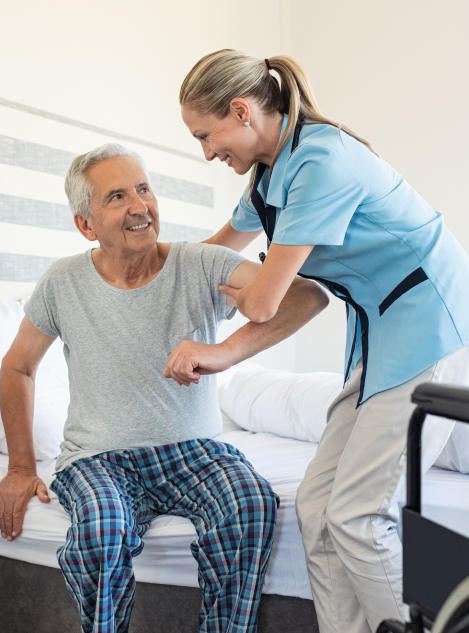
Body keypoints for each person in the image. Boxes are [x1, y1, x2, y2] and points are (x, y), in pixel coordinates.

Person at [179, 49, 469, 633]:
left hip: (428, 323)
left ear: (241, 112)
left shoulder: (321, 161)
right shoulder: (268, 173)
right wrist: (147, 271)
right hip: (379, 332)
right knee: (316, 508)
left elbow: (263, 301)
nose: (208, 153)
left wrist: (220, 339)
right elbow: (214, 254)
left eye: (206, 136)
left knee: (359, 518)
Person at [0, 143, 327, 633]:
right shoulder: (62, 282)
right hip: (98, 457)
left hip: (196, 452)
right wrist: (21, 467)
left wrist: (225, 351)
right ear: (86, 225)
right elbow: (18, 367)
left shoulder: (202, 264)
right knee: (103, 531)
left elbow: (306, 297)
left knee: (250, 503)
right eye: (118, 197)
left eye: (144, 189)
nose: (139, 206)